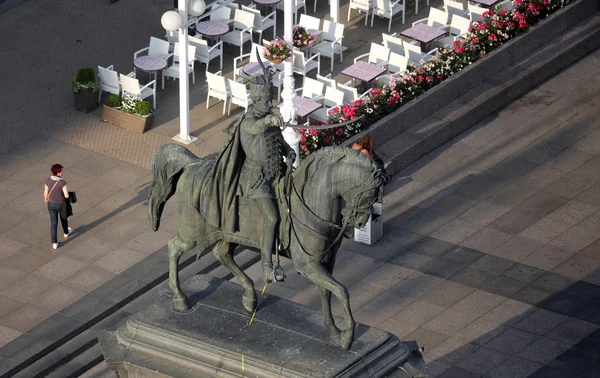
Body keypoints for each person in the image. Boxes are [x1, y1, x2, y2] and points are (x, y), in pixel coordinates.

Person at [43, 164, 72, 249]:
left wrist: (46, 199)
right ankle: (66, 232)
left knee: (53, 223)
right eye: (61, 171)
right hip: (61, 204)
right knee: (63, 218)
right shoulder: (62, 182)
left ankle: (54, 243)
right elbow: (66, 195)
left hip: (50, 204)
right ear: (58, 172)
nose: (62, 172)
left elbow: (45, 192)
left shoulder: (48, 180)